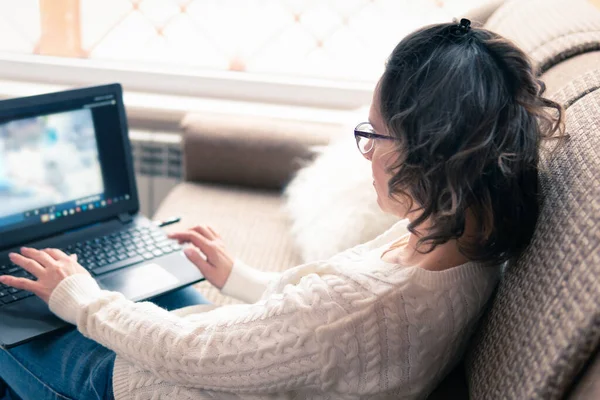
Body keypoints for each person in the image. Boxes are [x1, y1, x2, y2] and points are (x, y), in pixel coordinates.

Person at [0, 18, 564, 400]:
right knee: (127, 283)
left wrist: (82, 298)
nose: (366, 154)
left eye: (374, 135)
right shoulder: (464, 237)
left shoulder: (361, 306)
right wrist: (236, 276)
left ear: (429, 152)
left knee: (19, 324)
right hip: (240, 360)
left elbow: (188, 349)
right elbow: (316, 328)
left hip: (158, 380)